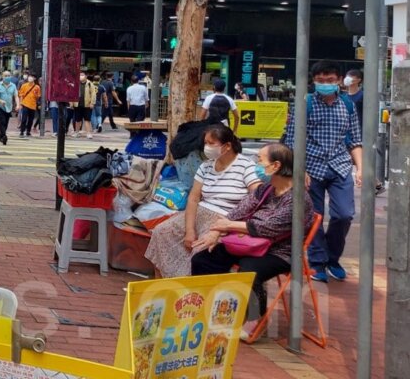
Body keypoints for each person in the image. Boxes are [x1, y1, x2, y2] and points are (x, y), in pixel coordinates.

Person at [191, 143, 312, 338]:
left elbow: (268, 227)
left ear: (276, 166)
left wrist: (228, 226)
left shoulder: (298, 199)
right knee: (203, 258)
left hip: (280, 253)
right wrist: (217, 231)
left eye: (260, 160)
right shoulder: (265, 190)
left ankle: (257, 318)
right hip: (249, 244)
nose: (256, 164)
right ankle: (208, 308)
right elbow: (238, 212)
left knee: (249, 269)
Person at [145, 124, 260, 277]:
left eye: (211, 143)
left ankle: (188, 292)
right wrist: (190, 230)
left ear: (227, 146)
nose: (207, 147)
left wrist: (226, 226)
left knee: (201, 250)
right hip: (199, 212)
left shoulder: (246, 166)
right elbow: (193, 198)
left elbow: (257, 197)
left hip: (224, 220)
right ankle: (160, 286)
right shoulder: (206, 166)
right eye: (205, 143)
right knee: (161, 232)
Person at [283, 60, 363, 282]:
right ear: (313, 81)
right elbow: (292, 141)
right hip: (310, 168)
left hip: (339, 166)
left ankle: (332, 257)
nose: (325, 84)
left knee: (344, 214)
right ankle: (318, 262)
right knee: (313, 217)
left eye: (329, 80)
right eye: (320, 81)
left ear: (338, 81)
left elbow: (355, 140)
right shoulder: (304, 104)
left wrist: (360, 169)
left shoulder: (347, 106)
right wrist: (299, 170)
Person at [0, 72, 18, 145]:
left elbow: (16, 96)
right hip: (0, 106)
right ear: (2, 77)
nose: (7, 77)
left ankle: (1, 136)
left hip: (9, 107)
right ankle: (4, 136)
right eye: (5, 76)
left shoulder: (13, 85)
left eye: (9, 76)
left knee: (6, 122)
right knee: (2, 121)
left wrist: (18, 105)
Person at [71, 72, 97, 137]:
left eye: (82, 75)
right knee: (77, 120)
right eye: (79, 75)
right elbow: (72, 94)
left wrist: (92, 103)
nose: (80, 76)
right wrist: (71, 103)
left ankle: (88, 133)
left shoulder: (90, 84)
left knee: (87, 120)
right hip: (77, 104)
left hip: (87, 105)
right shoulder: (76, 84)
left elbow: (93, 94)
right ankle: (77, 132)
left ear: (86, 76)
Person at [17, 73, 41, 137]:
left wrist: (36, 96)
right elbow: (21, 95)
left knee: (31, 119)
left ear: (34, 78)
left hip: (33, 105)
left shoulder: (37, 87)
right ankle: (22, 131)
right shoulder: (24, 85)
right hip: (25, 104)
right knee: (24, 118)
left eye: (32, 77)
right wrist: (20, 104)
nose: (30, 78)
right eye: (29, 76)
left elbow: (38, 96)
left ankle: (28, 131)